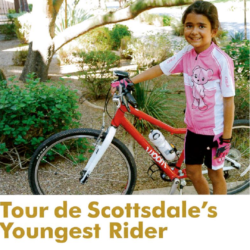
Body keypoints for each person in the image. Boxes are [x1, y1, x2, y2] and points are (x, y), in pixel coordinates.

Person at [111, 1, 235, 195]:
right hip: (193, 128)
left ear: (214, 31)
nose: (194, 31)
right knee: (193, 172)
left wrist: (226, 138)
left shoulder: (221, 61)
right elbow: (160, 68)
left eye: (201, 26)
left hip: (215, 132)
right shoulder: (187, 53)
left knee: (215, 174)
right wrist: (130, 81)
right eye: (189, 25)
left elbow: (229, 101)